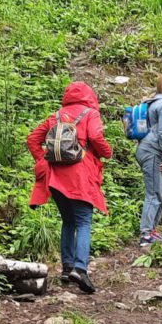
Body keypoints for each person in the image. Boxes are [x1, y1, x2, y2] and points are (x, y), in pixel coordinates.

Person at [27, 81, 114, 295]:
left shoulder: (56, 115)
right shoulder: (90, 114)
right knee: (84, 221)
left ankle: (66, 269)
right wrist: (107, 152)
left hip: (55, 178)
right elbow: (94, 137)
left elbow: (32, 139)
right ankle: (80, 269)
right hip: (79, 177)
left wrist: (44, 160)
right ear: (89, 96)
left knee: (68, 221)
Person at [136, 74, 162, 246]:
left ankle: (151, 231)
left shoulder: (154, 102)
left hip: (151, 151)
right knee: (154, 194)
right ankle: (146, 235)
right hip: (152, 152)